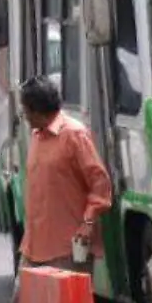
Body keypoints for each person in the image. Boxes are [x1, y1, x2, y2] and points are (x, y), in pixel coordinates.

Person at [17, 76, 112, 274]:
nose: (23, 115)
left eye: (25, 109)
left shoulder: (74, 135)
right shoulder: (37, 136)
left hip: (67, 249)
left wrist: (87, 224)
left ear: (36, 109)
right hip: (34, 247)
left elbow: (99, 183)